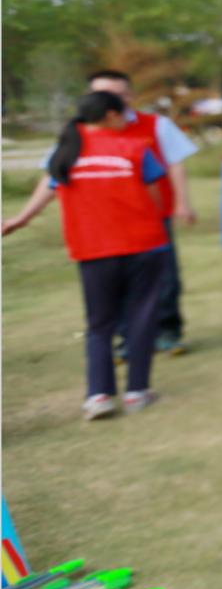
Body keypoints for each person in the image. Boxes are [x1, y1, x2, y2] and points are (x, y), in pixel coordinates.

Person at [2, 92, 169, 420]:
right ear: (110, 115)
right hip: (144, 246)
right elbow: (156, 198)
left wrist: (21, 219)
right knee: (141, 317)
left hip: (94, 249)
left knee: (99, 323)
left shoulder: (67, 153)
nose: (126, 121)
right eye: (123, 115)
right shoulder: (135, 149)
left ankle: (99, 395)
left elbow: (49, 189)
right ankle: (137, 391)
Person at [14, 70, 199, 354]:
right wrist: (24, 217)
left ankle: (166, 331)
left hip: (150, 219)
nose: (111, 99)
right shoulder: (74, 136)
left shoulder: (155, 125)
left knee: (164, 279)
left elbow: (175, 164)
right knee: (113, 285)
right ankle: (128, 338)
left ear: (130, 95)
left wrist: (181, 204)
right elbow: (53, 178)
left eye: (118, 93)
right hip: (100, 225)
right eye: (102, 93)